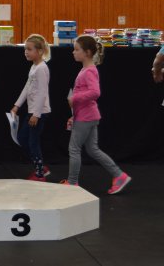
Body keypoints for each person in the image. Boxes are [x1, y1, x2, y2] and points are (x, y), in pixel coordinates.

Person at [62, 35, 132, 194]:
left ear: (87, 52)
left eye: (76, 49)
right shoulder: (86, 70)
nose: (73, 52)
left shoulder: (89, 71)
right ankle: (119, 175)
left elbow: (95, 92)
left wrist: (74, 98)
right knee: (93, 150)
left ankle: (72, 183)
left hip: (86, 117)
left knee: (74, 149)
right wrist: (74, 115)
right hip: (88, 116)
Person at [11, 34, 52, 182]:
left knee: (33, 142)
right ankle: (41, 167)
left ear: (39, 51)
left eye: (29, 49)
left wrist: (36, 114)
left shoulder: (42, 68)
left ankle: (40, 173)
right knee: (22, 139)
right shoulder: (34, 67)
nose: (26, 52)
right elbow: (27, 88)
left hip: (39, 112)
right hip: (33, 111)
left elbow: (42, 93)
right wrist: (16, 106)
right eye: (25, 49)